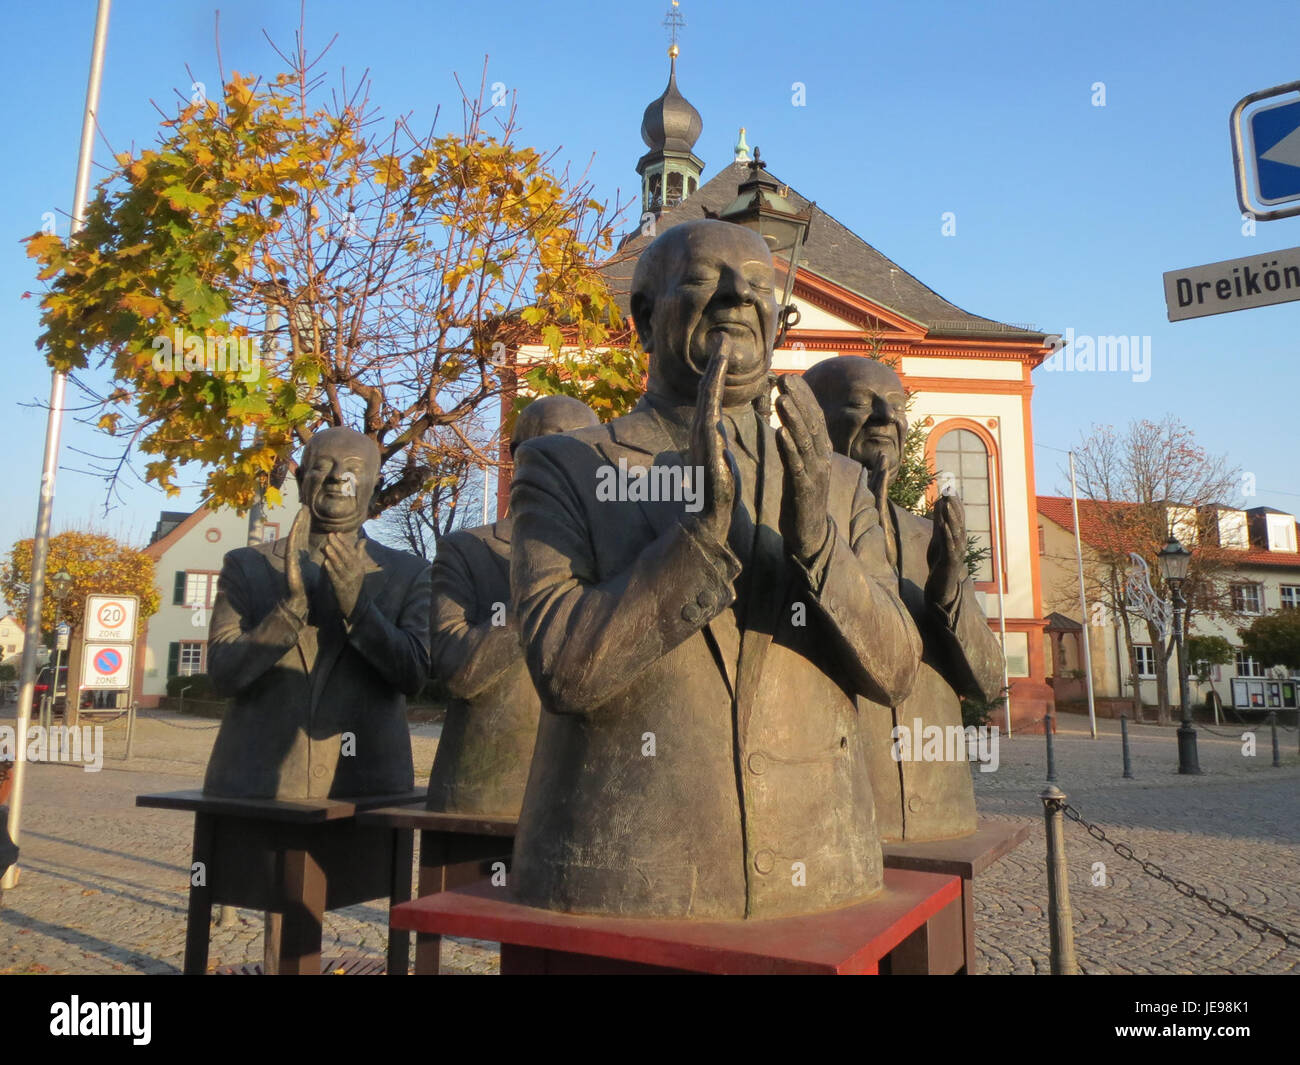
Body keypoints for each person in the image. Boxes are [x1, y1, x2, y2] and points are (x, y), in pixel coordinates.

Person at [507, 219, 921, 919]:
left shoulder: (841, 482)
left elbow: (897, 669)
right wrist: (696, 541)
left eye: (756, 286)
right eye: (703, 280)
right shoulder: (564, 466)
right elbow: (560, 667)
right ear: (643, 317)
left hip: (821, 876)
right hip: (623, 886)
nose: (735, 295)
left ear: (777, 323)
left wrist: (818, 542)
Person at [803, 356, 1004, 841]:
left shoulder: (925, 536)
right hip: (838, 823)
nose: (885, 417)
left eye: (897, 405)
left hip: (941, 810)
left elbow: (990, 682)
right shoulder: (785, 525)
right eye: (858, 403)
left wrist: (950, 590)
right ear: (811, 418)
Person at [203, 426, 431, 799]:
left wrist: (359, 610)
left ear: (376, 481)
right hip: (252, 785)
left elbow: (414, 675)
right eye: (321, 466)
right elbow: (223, 675)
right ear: (298, 478)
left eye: (354, 467)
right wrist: (288, 612)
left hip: (366, 786)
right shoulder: (247, 565)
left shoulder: (409, 573)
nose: (337, 476)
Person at [425, 395, 600, 815]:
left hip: (584, 799)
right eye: (550, 448)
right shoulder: (466, 550)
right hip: (484, 795)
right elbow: (456, 674)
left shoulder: (614, 557)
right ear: (517, 456)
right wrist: (537, 596)